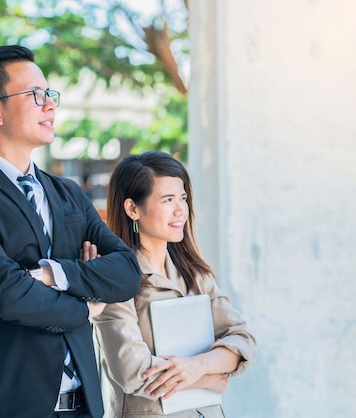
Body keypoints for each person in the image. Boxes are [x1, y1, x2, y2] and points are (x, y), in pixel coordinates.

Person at [0, 45, 141, 418]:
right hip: (6, 405)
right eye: (35, 95)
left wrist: (51, 274)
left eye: (50, 95)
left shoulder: (69, 193)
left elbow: (126, 272)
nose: (50, 106)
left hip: (83, 407)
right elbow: (7, 294)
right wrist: (87, 306)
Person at [92, 151, 257, 417]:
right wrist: (208, 378)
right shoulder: (117, 279)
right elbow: (133, 371)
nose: (181, 209)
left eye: (183, 198)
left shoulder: (194, 273)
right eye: (168, 200)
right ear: (133, 208)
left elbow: (242, 339)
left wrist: (199, 365)